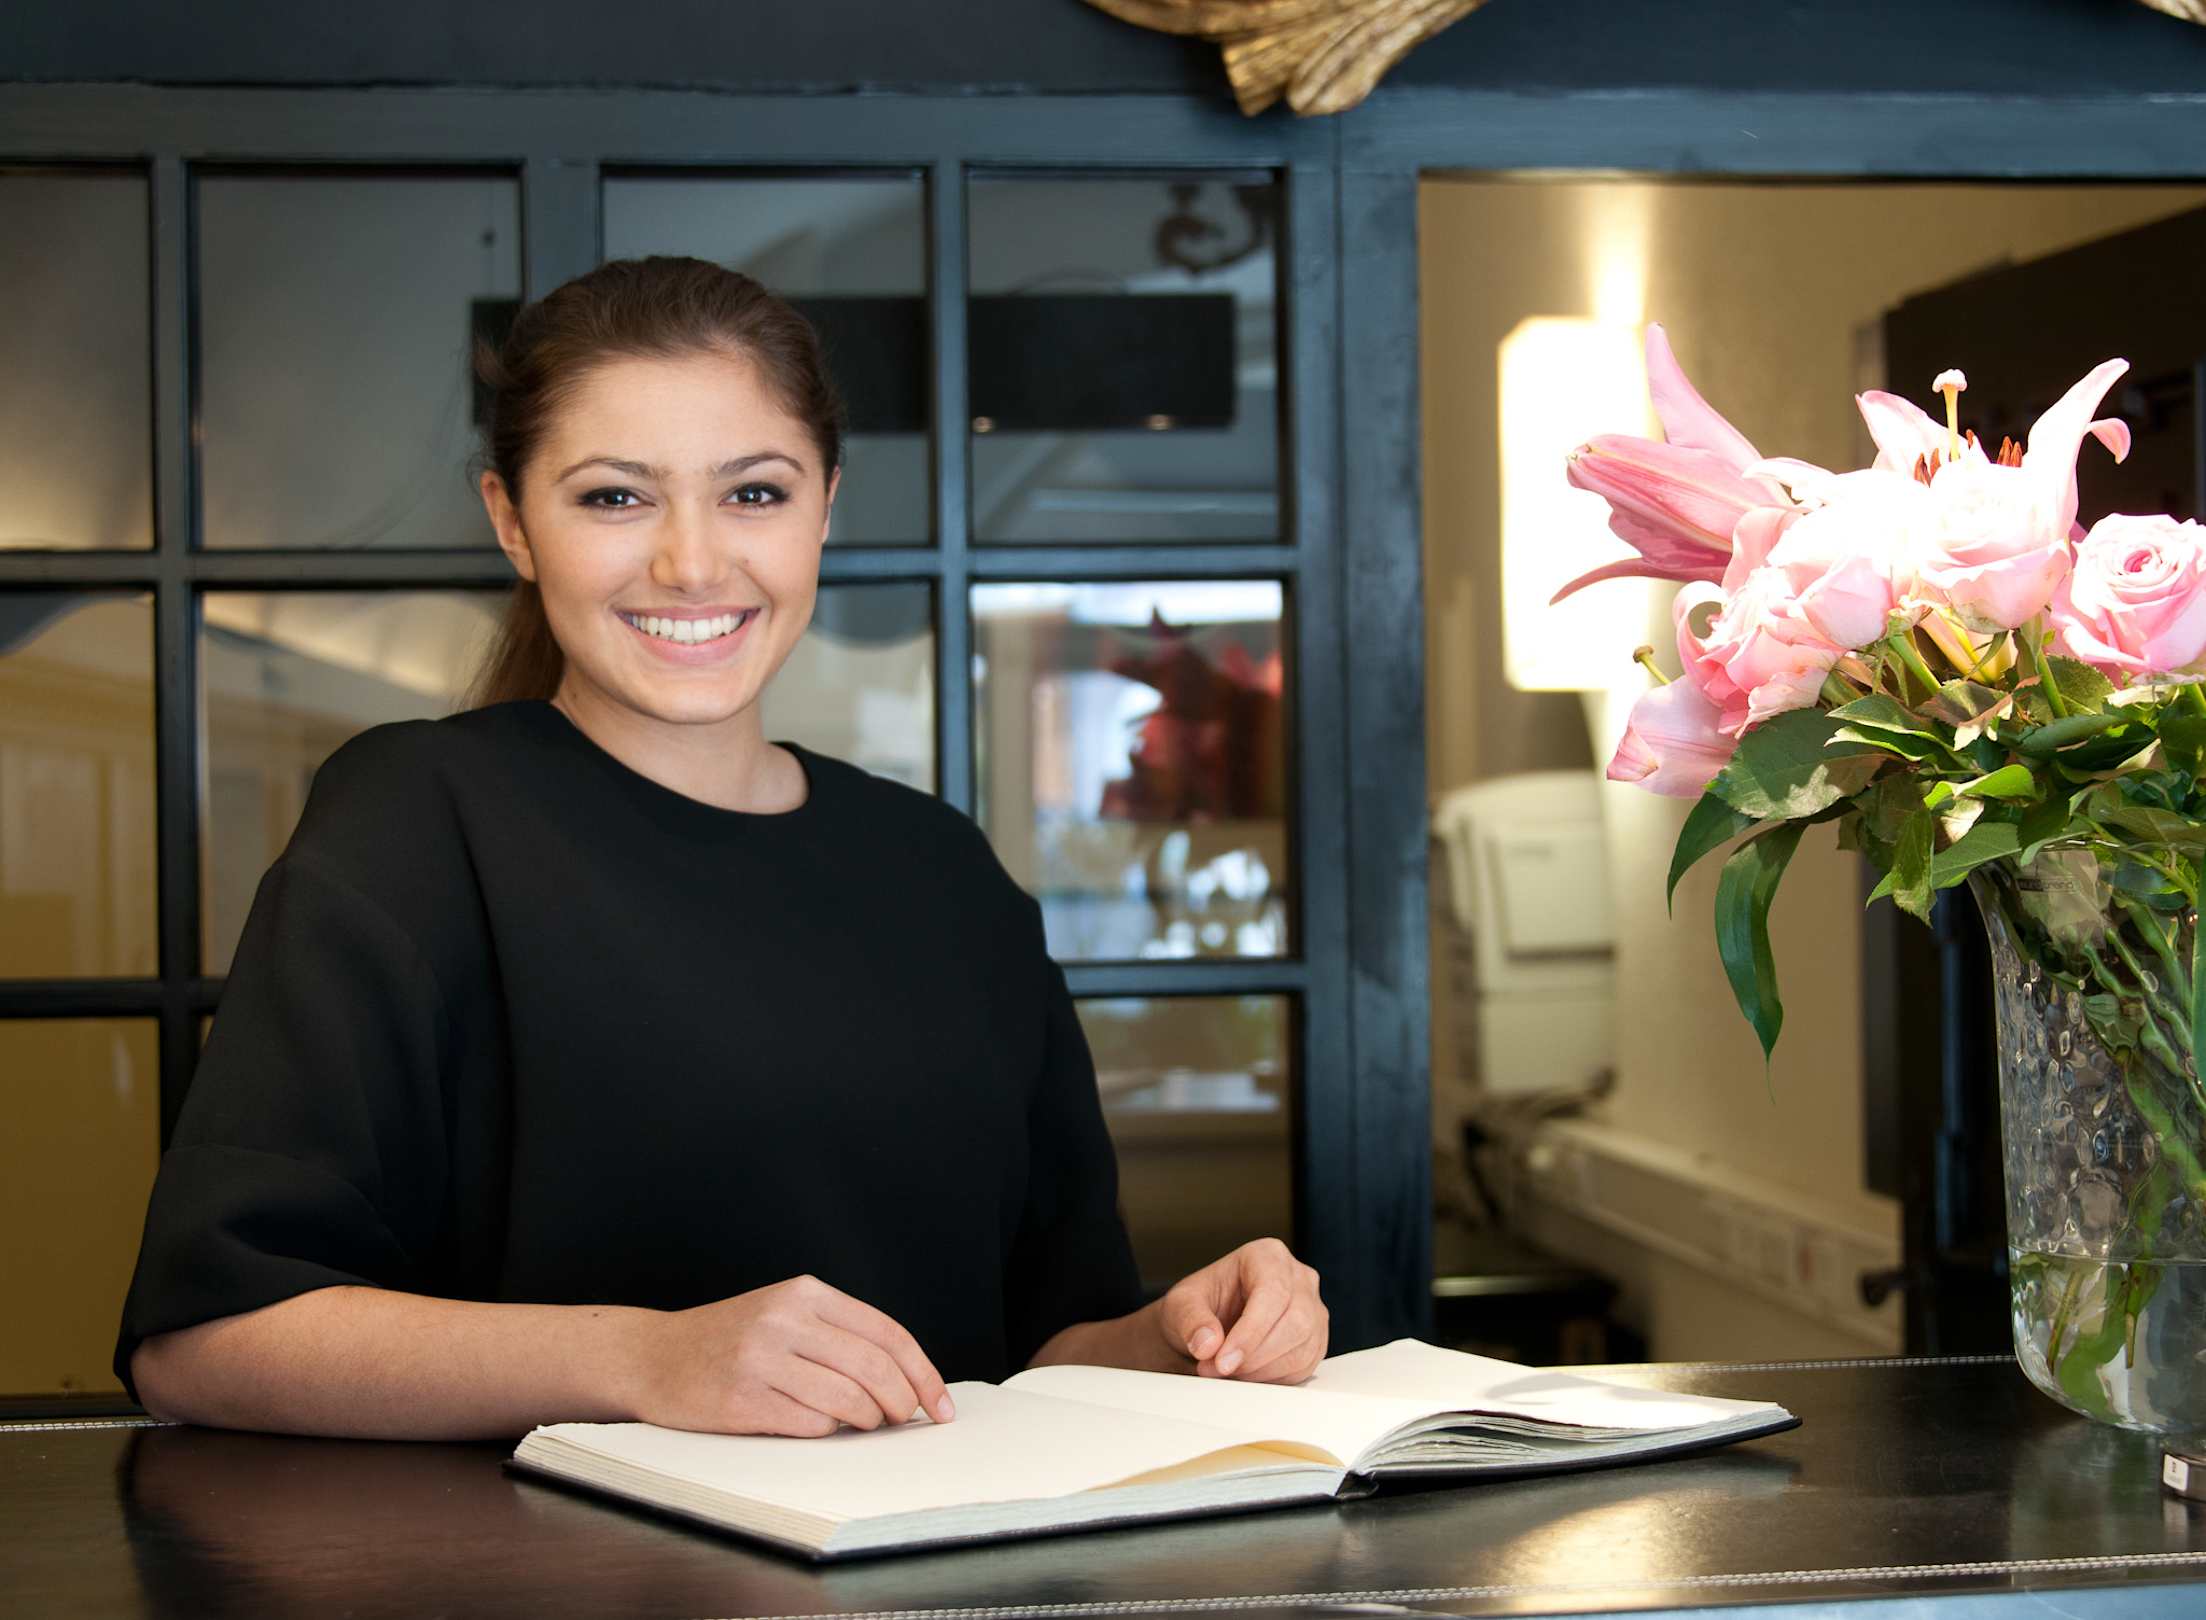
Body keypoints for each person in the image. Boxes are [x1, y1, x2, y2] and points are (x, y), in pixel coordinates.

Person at [114, 256, 1328, 1442]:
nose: (691, 562)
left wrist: (1181, 1338)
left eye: (754, 494)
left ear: (825, 507)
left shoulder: (946, 872)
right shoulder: (418, 821)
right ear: (512, 522)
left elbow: (1041, 1346)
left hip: (939, 1556)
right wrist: (647, 1359)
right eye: (614, 497)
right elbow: (205, 1343)